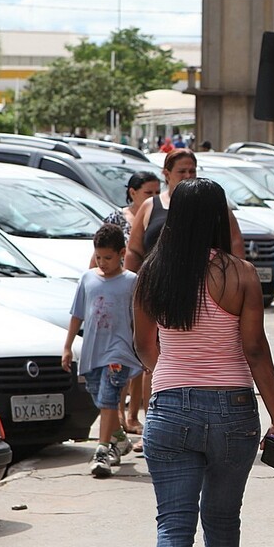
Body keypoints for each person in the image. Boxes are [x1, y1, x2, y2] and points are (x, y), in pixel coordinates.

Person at [132, 177, 274, 547]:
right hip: (232, 410)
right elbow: (255, 349)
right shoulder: (239, 274)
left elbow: (146, 350)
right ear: (220, 217)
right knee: (222, 521)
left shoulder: (151, 276)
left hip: (171, 408)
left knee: (173, 527)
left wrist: (171, 374)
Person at [61, 224, 141, 478]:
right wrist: (67, 346)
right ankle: (119, 439)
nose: (103, 263)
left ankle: (102, 450)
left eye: (108, 257)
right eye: (99, 257)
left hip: (119, 351)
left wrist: (143, 350)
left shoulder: (131, 282)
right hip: (92, 351)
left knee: (108, 399)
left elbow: (138, 320)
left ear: (121, 253)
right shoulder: (88, 279)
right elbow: (77, 314)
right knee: (99, 397)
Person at [104, 170, 162, 437]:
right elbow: (100, 254)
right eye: (148, 192)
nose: (153, 197)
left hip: (149, 293)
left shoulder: (157, 216)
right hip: (125, 293)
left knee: (142, 358)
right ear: (133, 193)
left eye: (156, 192)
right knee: (120, 357)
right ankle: (115, 414)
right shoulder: (117, 219)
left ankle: (133, 416)